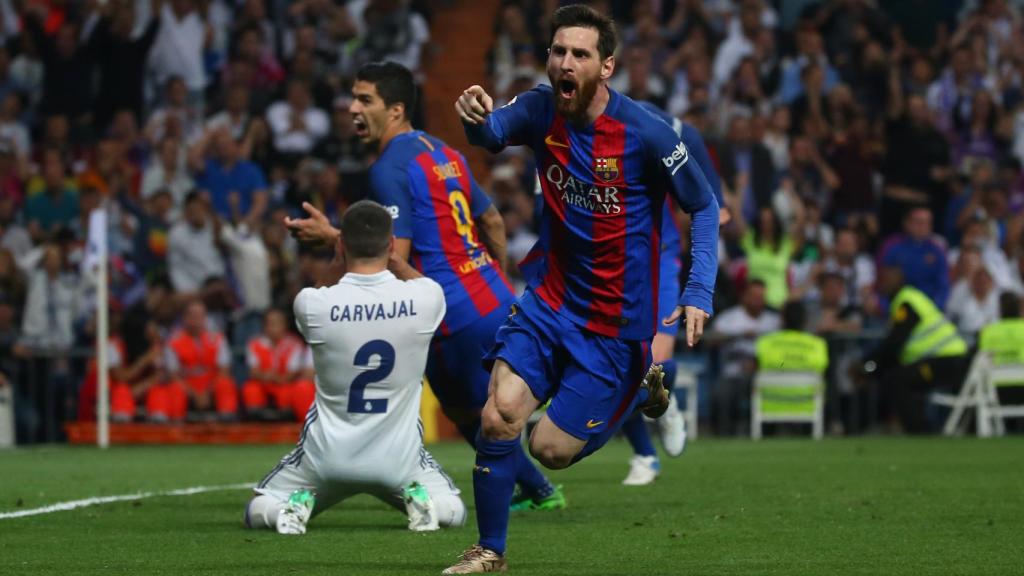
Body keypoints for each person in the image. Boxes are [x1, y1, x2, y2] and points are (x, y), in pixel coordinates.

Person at [447, 5, 718, 572]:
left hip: (616, 325)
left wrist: (698, 289)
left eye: (579, 54)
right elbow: (492, 133)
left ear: (607, 66)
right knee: (497, 416)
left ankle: (639, 387)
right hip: (549, 300)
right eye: (558, 51)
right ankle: (489, 550)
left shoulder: (646, 133)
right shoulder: (540, 108)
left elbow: (704, 204)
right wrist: (475, 116)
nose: (564, 63)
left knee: (549, 448)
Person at [285, 62, 561, 511]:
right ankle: (538, 480)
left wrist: (329, 237)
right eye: (353, 98)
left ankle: (538, 488)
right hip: (492, 294)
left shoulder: (387, 169)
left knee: (467, 413)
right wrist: (492, 275)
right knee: (494, 404)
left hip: (449, 309)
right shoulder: (444, 152)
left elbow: (393, 254)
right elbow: (490, 219)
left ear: (395, 109)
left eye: (365, 99)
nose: (353, 108)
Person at [245, 200, 466, 535]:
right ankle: (426, 505)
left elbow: (323, 290)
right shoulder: (426, 298)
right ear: (391, 245)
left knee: (259, 507)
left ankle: (287, 513)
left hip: (325, 459)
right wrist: (393, 259)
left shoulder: (312, 304)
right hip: (398, 460)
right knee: (454, 510)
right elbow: (421, 282)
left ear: (342, 245)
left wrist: (337, 255)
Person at [619, 101, 727, 486]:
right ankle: (645, 453)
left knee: (652, 361)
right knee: (624, 365)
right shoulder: (562, 126)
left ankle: (666, 396)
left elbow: (690, 135)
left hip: (657, 259)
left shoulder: (643, 120)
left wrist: (719, 201)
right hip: (602, 268)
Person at [864, 266, 968, 433]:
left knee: (899, 380)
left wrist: (869, 366)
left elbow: (895, 342)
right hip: (944, 358)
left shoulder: (906, 302)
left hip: (946, 359)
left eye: (886, 279)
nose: (882, 284)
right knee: (903, 377)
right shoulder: (907, 300)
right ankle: (914, 426)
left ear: (899, 281)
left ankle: (920, 431)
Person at [754, 301, 829, 435]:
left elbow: (758, 365)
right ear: (805, 320)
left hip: (771, 403)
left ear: (782, 319)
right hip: (807, 403)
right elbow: (822, 368)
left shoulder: (765, 342)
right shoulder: (818, 345)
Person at [164, 299, 238, 420]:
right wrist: (195, 394)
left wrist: (207, 393)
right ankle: (176, 427)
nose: (197, 319)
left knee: (225, 383)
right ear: (185, 318)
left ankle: (227, 421)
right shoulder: (173, 341)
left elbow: (224, 370)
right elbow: (173, 375)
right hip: (187, 385)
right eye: (193, 315)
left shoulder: (217, 338)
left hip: (211, 385)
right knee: (175, 388)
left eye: (200, 315)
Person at [241, 308, 314, 421]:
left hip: (284, 383)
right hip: (264, 382)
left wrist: (275, 377)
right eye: (269, 324)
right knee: (251, 388)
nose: (272, 327)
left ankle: (286, 418)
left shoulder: (294, 344)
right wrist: (265, 376)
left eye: (276, 323)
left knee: (290, 391)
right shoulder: (255, 343)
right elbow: (253, 371)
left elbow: (293, 373)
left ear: (284, 325)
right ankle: (255, 419)